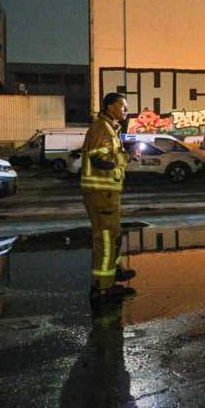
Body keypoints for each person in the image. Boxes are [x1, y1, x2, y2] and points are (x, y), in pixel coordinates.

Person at [81, 92, 141, 304]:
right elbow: (101, 161)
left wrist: (127, 157)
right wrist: (126, 156)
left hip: (108, 193)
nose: (126, 110)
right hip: (100, 193)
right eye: (122, 106)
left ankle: (114, 274)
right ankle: (103, 289)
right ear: (109, 108)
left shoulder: (111, 129)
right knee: (106, 240)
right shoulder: (102, 128)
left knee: (113, 236)